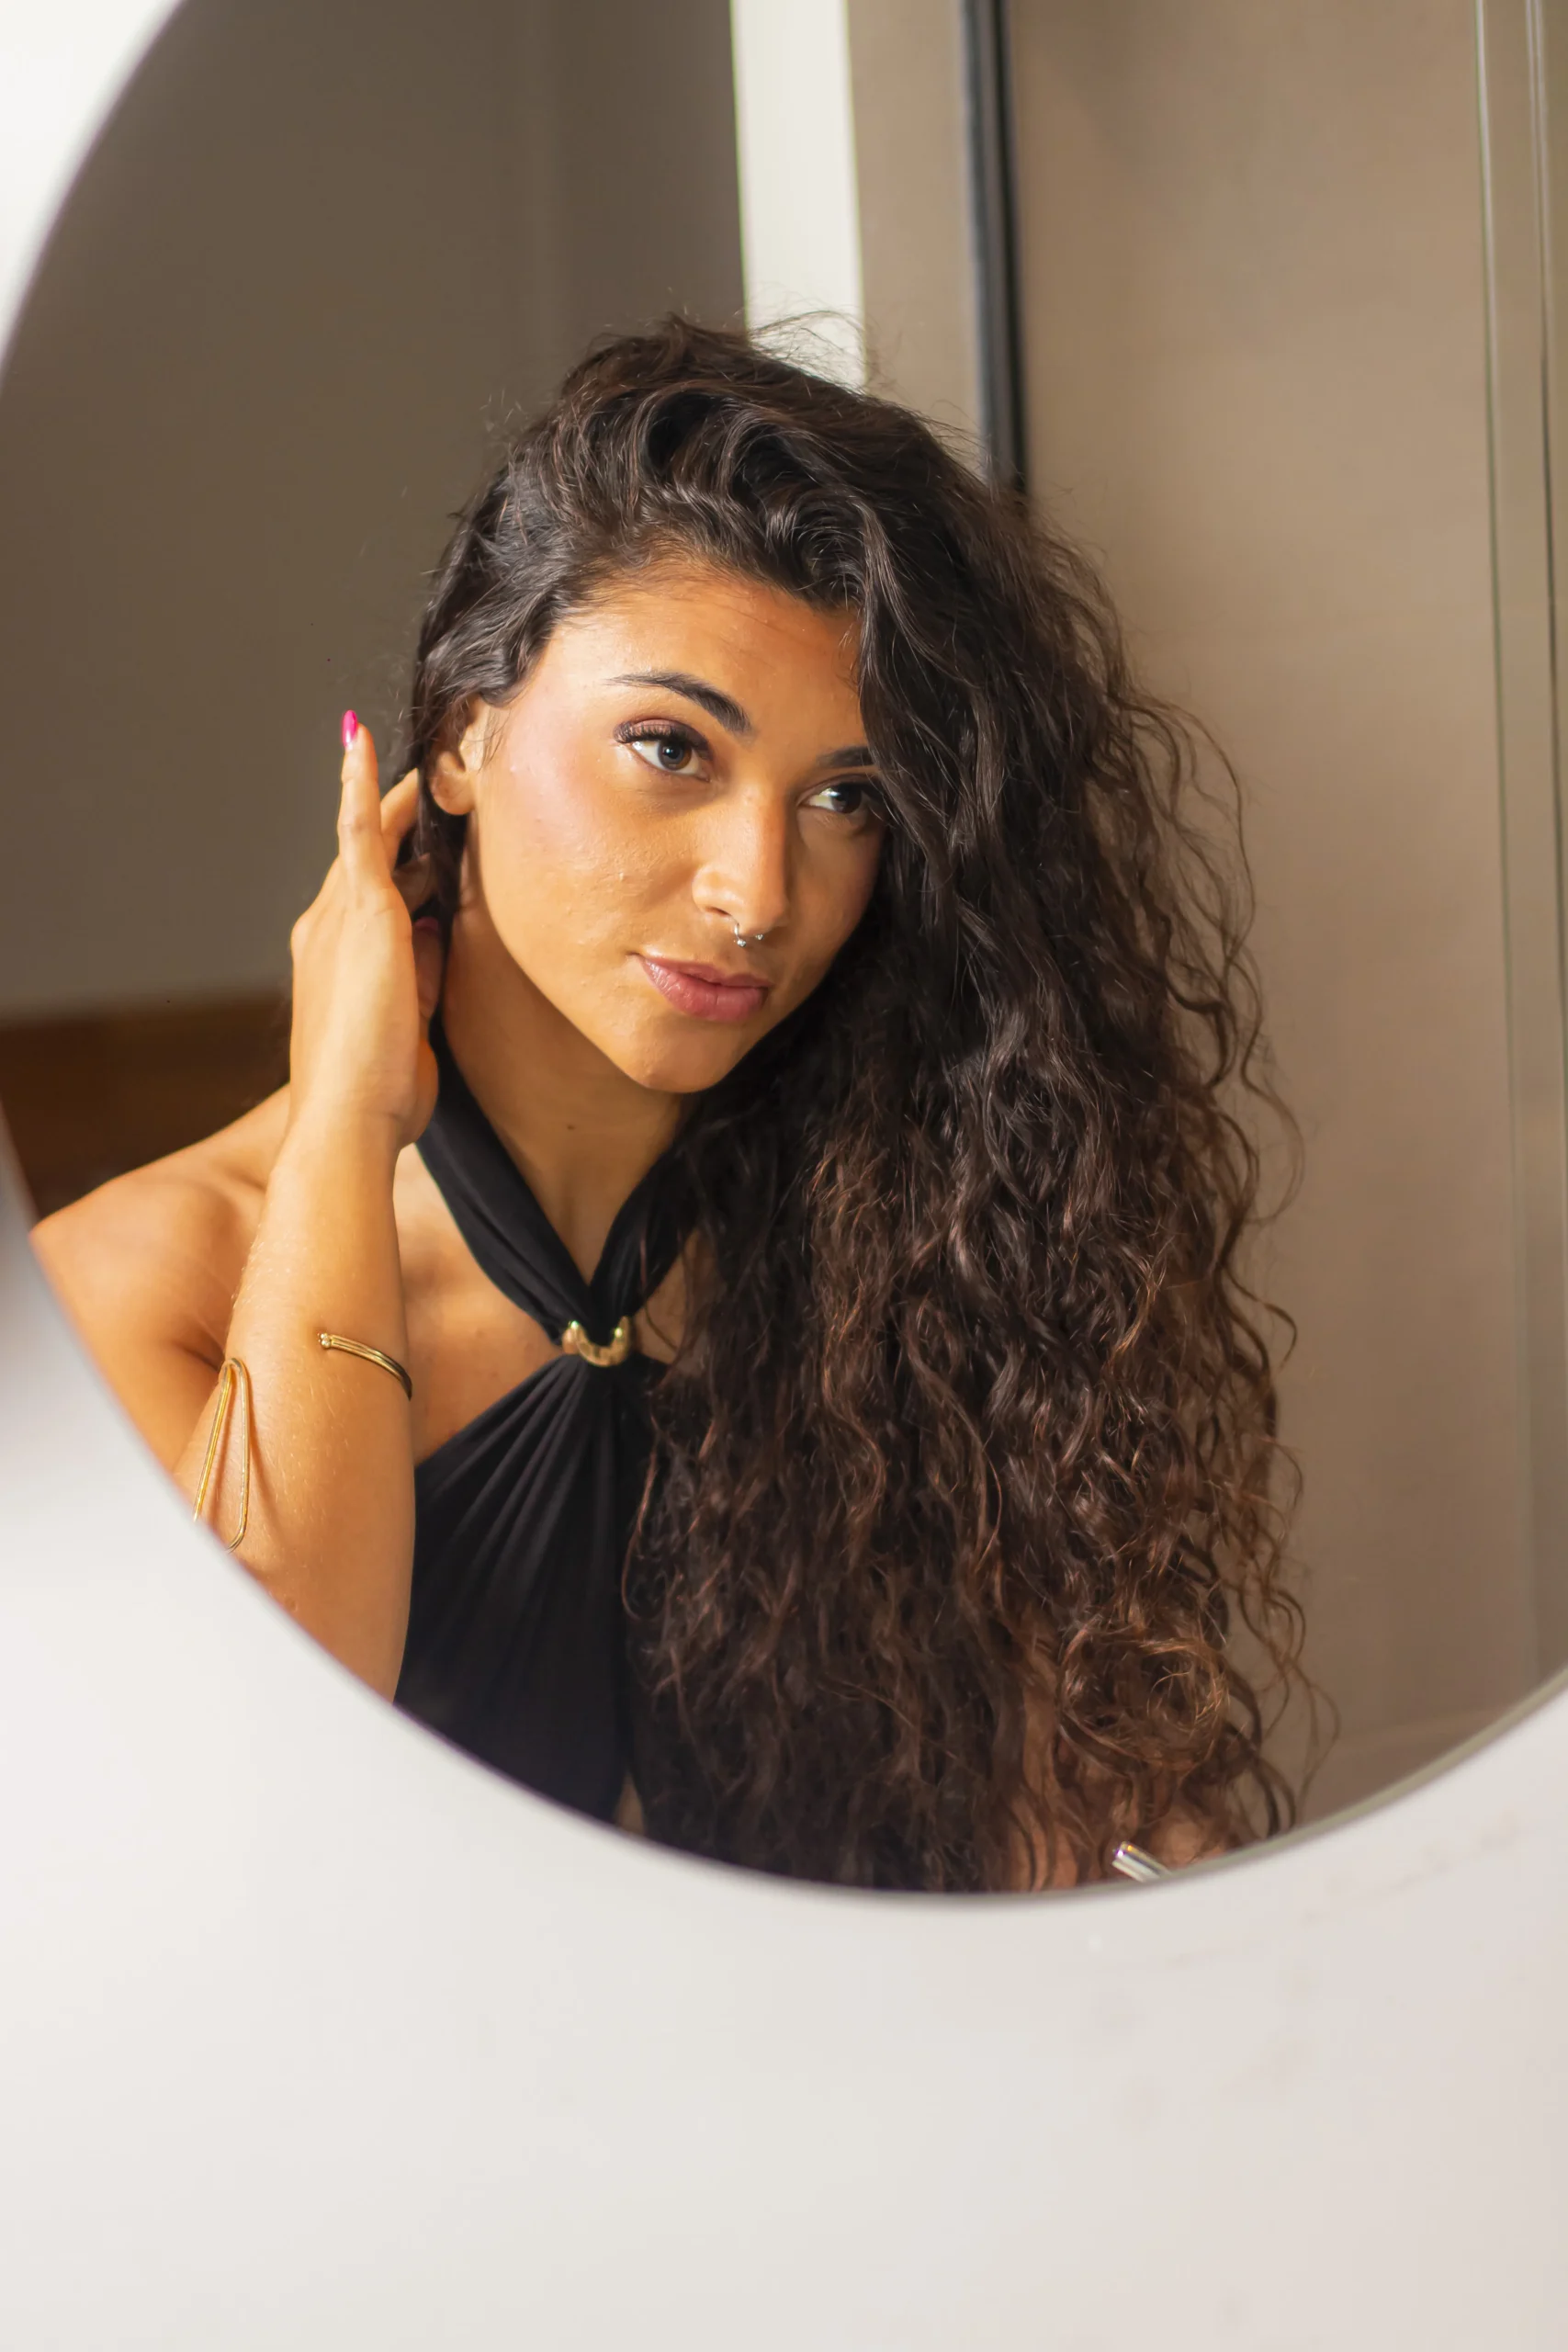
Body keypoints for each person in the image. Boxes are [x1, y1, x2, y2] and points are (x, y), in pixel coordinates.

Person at [33, 319, 1303, 1891]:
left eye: (845, 798)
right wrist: (342, 1127)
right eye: (669, 748)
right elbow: (272, 1774)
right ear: (464, 732)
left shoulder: (914, 1254)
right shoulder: (137, 1285)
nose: (758, 893)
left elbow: (1104, 1835)